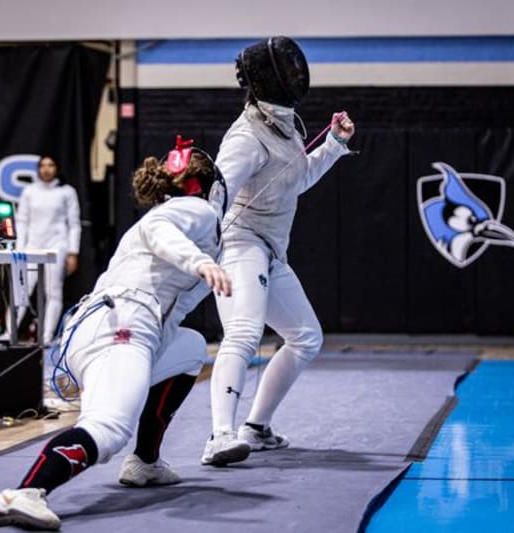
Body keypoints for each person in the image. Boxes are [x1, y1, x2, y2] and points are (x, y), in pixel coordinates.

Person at [0, 136, 231, 530]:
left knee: (191, 348)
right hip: (124, 326)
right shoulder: (194, 210)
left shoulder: (188, 216)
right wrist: (200, 261)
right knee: (109, 427)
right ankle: (26, 491)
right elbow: (158, 229)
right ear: (211, 188)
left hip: (112, 324)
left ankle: (145, 462)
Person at [202, 36, 356, 466]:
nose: (295, 74)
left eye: (295, 67)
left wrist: (333, 144)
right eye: (286, 69)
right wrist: (201, 248)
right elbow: (217, 193)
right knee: (243, 333)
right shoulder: (245, 136)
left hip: (271, 251)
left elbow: (296, 180)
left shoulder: (286, 127)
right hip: (240, 245)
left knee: (306, 337)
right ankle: (219, 436)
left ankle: (255, 428)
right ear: (267, 78)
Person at [14, 155, 81, 344]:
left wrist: (73, 252)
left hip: (56, 246)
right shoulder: (29, 191)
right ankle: (10, 332)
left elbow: (74, 223)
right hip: (32, 247)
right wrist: (19, 249)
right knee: (21, 291)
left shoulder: (67, 192)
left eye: (50, 165)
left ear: (57, 168)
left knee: (53, 292)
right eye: (43, 165)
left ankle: (46, 336)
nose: (46, 169)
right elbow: (22, 221)